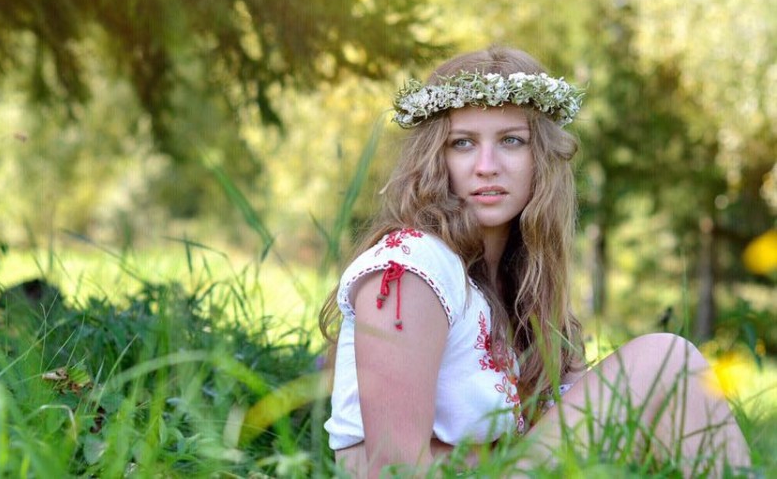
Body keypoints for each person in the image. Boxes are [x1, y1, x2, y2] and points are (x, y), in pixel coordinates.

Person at [319, 46, 751, 477]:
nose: (486, 166)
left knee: (668, 380)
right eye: (462, 143)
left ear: (541, 156)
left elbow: (582, 427)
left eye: (511, 140)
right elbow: (391, 468)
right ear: (435, 156)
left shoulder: (522, 282)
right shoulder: (410, 266)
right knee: (665, 360)